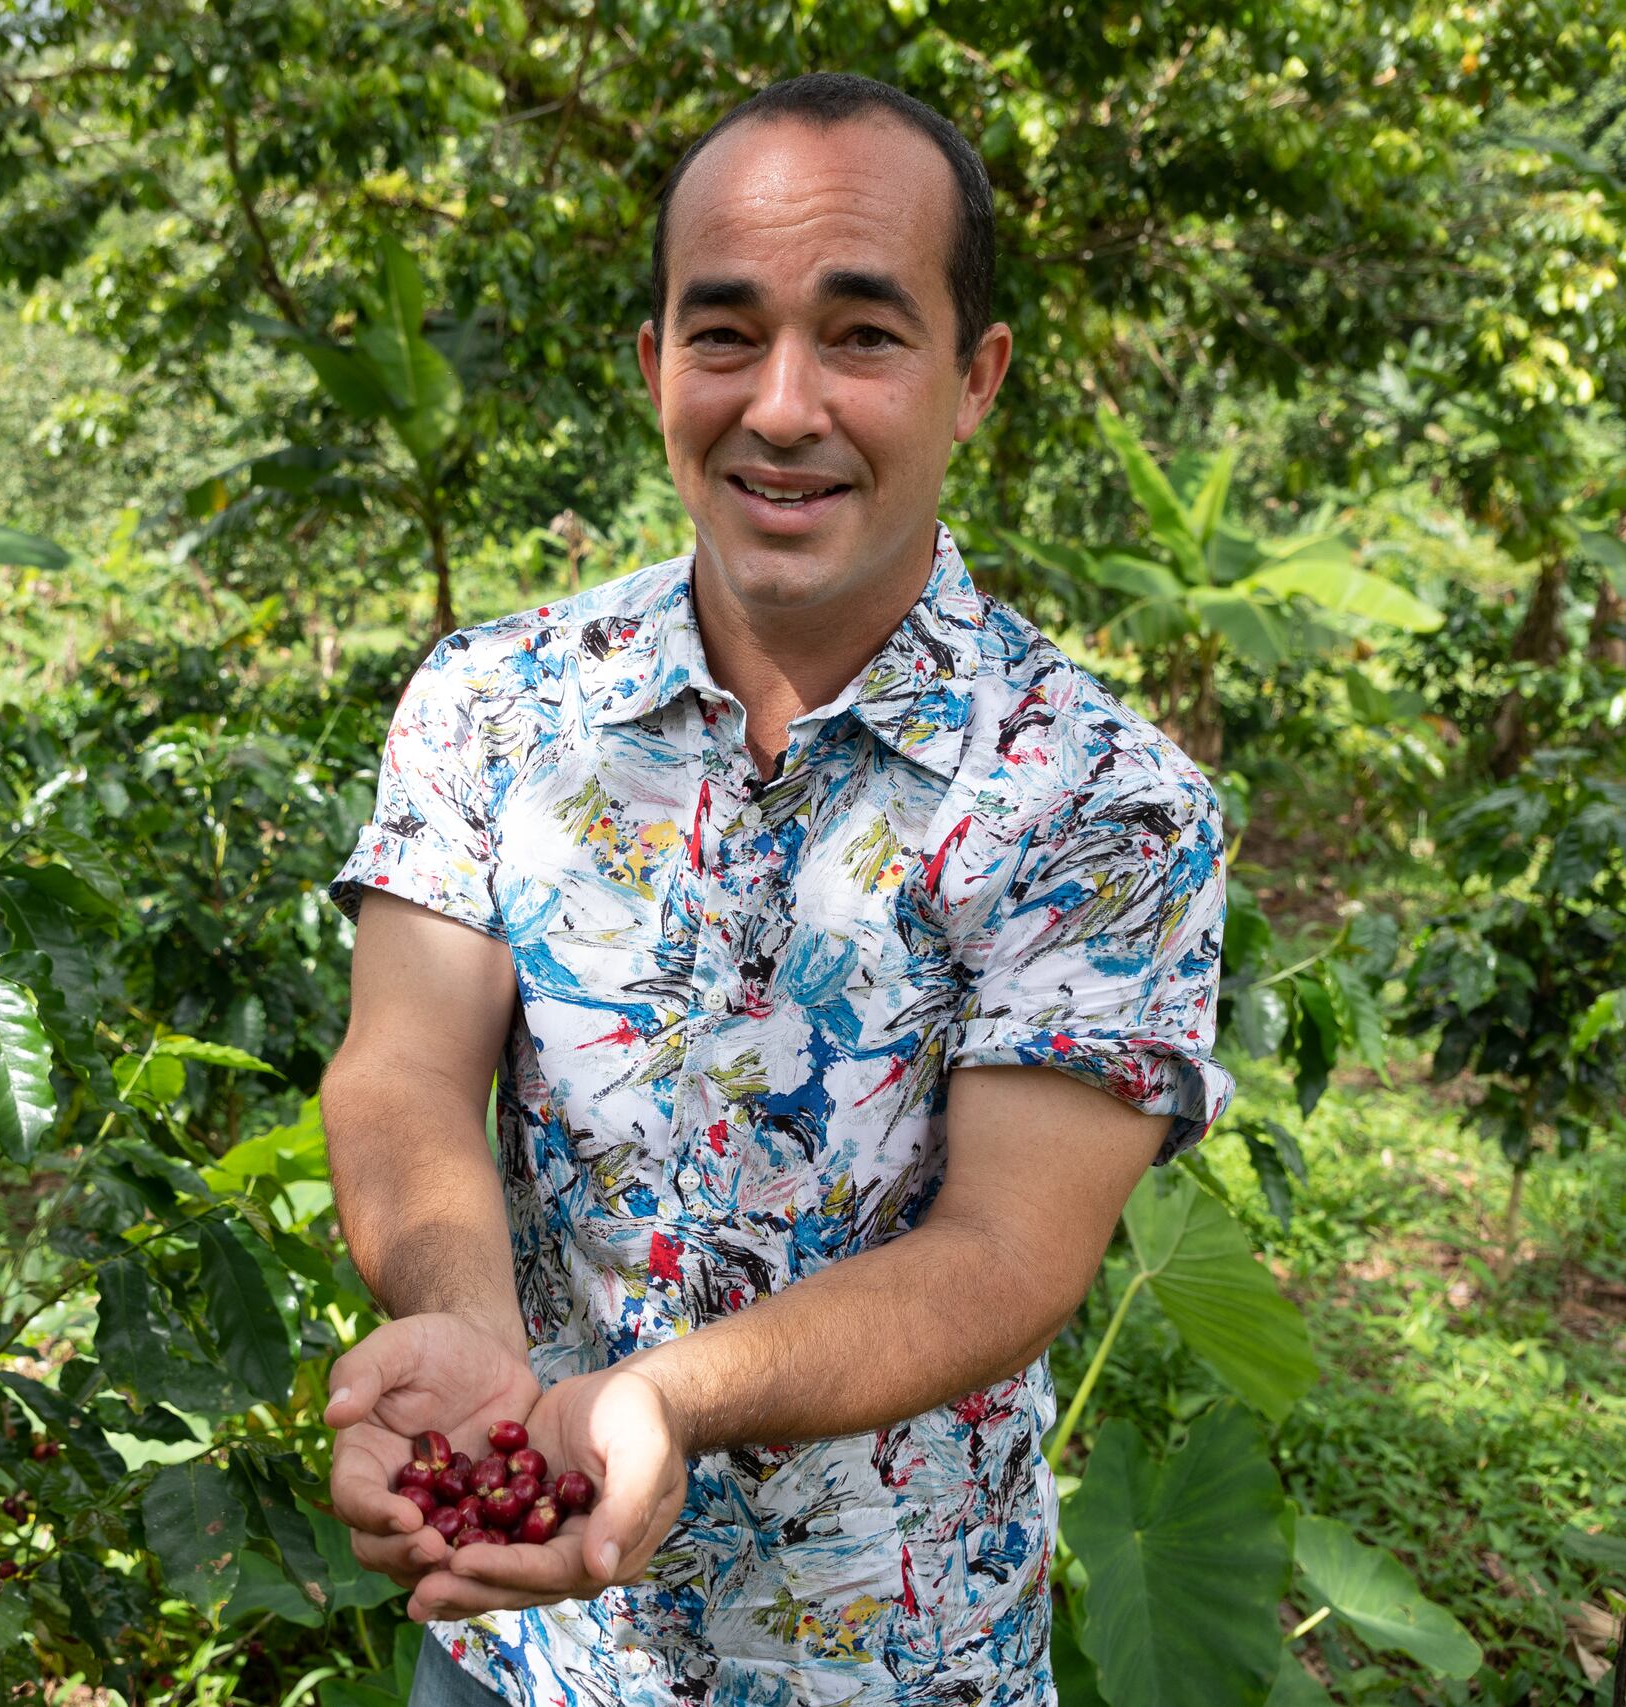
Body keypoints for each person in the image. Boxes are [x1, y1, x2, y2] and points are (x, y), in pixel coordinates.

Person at [317, 70, 1236, 1706]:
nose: (785, 405)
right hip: (517, 1647)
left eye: (866, 335)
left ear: (975, 379)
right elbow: (402, 1069)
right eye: (727, 333)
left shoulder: (1104, 801)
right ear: (656, 362)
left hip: (894, 1668)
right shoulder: (492, 707)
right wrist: (461, 1324)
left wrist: (664, 1396)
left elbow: (1005, 1257)